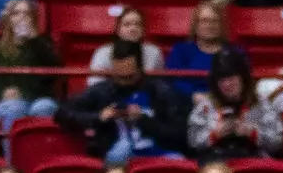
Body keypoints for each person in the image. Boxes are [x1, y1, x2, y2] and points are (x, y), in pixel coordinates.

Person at [60, 41, 191, 163]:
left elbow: (179, 135)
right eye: (118, 76)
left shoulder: (162, 91)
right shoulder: (102, 91)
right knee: (120, 153)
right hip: (117, 154)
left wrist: (143, 120)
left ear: (140, 70)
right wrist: (99, 117)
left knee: (178, 160)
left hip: (159, 152)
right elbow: (62, 113)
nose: (123, 82)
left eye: (128, 77)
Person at [0, 0, 60, 134]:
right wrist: (1, 93)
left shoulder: (42, 46)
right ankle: (13, 155)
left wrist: (35, 42)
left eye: (26, 14)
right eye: (16, 13)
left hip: (36, 100)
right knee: (15, 108)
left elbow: (55, 73)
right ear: (9, 20)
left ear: (33, 19)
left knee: (45, 107)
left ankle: (42, 154)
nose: (22, 18)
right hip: (5, 104)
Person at [187, 49, 283, 161]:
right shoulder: (205, 106)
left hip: (253, 161)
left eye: (231, 78)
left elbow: (278, 142)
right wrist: (214, 135)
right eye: (221, 80)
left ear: (243, 78)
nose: (227, 84)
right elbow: (192, 143)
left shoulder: (261, 103)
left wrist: (252, 133)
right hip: (215, 161)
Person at [164, 0, 240, 100]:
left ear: (221, 25)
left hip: (226, 101)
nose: (209, 26)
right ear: (195, 25)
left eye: (214, 21)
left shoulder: (235, 52)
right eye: (204, 21)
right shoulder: (181, 50)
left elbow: (243, 82)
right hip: (187, 102)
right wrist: (193, 94)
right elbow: (172, 79)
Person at [86, 8, 165, 85]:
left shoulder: (154, 52)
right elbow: (94, 83)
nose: (133, 28)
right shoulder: (103, 52)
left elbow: (159, 82)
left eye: (137, 24)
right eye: (127, 25)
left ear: (143, 29)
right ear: (118, 30)